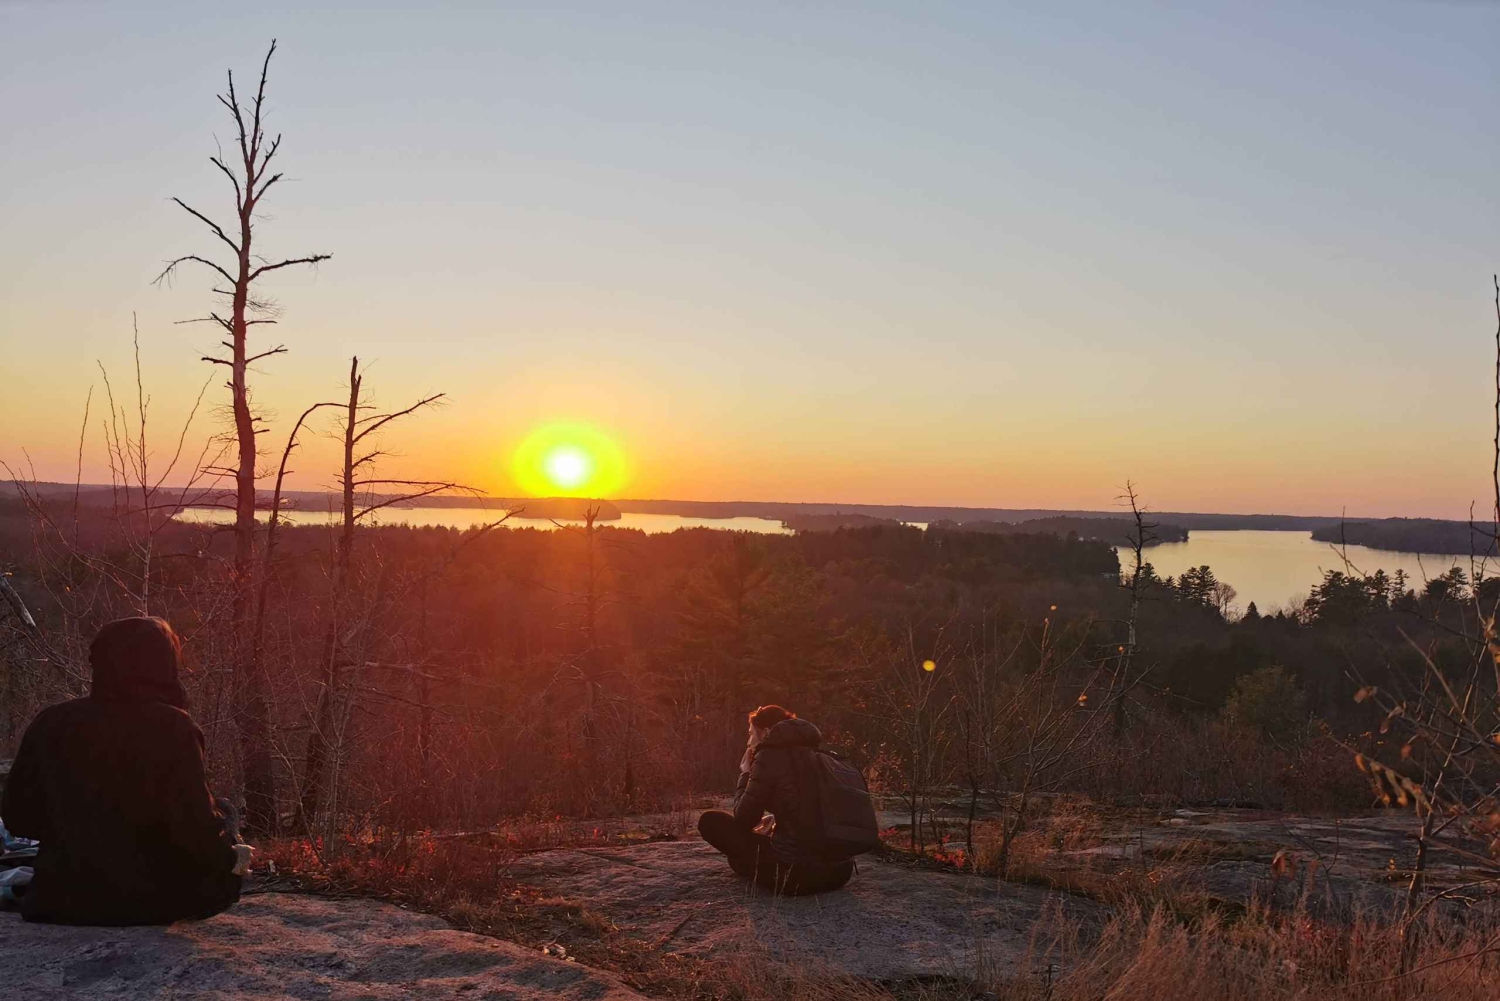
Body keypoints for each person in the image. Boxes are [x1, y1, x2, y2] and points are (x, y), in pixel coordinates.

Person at [0, 616, 245, 925]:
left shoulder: (50, 722)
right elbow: (193, 831)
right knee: (224, 811)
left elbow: (18, 818)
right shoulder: (174, 728)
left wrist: (76, 828)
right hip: (151, 905)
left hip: (54, 900)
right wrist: (232, 859)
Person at [697, 705, 855, 895]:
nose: (749, 742)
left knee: (711, 821)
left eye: (750, 734)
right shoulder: (824, 757)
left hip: (796, 877)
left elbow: (744, 820)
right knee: (756, 841)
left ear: (765, 733)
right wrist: (775, 822)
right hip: (840, 873)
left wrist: (746, 773)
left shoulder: (769, 757)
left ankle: (756, 868)